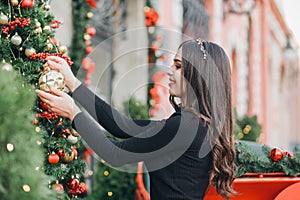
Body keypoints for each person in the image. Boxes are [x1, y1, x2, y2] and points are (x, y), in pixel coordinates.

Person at [36, 38, 236, 200]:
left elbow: (114, 153)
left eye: (178, 66)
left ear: (197, 75)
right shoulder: (197, 125)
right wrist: (73, 84)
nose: (169, 71)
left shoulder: (184, 126)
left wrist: (73, 113)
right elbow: (122, 126)